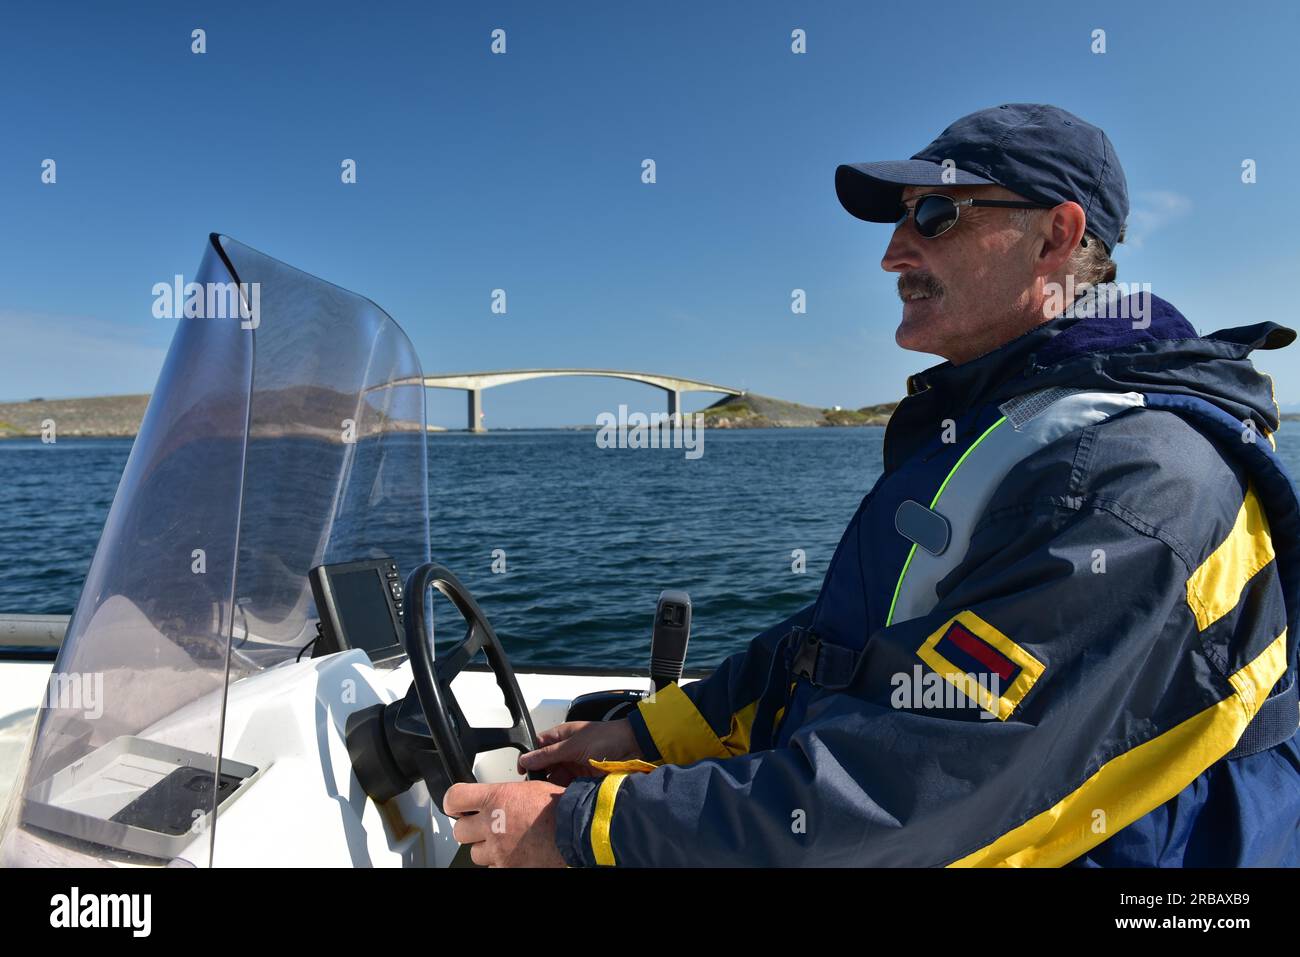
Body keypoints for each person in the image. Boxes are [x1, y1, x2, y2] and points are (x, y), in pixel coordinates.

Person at [443, 103, 1300, 867]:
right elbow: (837, 643)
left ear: (1057, 236)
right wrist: (645, 732)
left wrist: (582, 830)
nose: (895, 252)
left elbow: (926, 794)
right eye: (899, 220)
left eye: (936, 214)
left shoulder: (1133, 483)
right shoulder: (1008, 426)